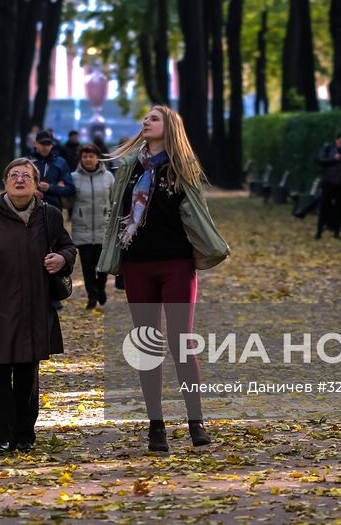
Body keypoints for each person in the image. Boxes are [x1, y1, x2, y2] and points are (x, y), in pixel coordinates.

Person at [97, 106, 231, 453]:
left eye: (154, 118)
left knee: (181, 343)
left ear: (169, 126)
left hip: (176, 264)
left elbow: (198, 217)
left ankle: (195, 420)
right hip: (138, 265)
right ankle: (156, 426)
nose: (146, 121)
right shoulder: (128, 167)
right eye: (145, 118)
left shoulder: (181, 169)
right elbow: (116, 215)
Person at [0, 158, 77, 453]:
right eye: (14, 175)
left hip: (34, 307)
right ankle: (0, 437)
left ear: (36, 185)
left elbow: (67, 246)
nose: (20, 180)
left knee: (27, 375)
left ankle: (24, 435)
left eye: (26, 176)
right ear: (5, 182)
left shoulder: (49, 215)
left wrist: (63, 259)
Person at [70, 142, 114, 310]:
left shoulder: (109, 177)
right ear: (81, 158)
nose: (88, 159)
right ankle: (91, 296)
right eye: (85, 156)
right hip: (83, 227)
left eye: (91, 156)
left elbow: (113, 200)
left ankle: (101, 288)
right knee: (87, 267)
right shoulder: (73, 177)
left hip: (104, 226)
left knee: (102, 265)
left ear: (98, 158)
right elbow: (68, 201)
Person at [27, 130, 76, 213]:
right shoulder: (26, 162)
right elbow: (16, 186)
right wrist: (31, 192)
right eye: (42, 143)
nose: (45, 147)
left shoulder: (61, 162)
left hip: (54, 210)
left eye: (48, 144)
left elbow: (70, 189)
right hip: (29, 210)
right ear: (36, 144)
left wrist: (51, 187)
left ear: (52, 145)